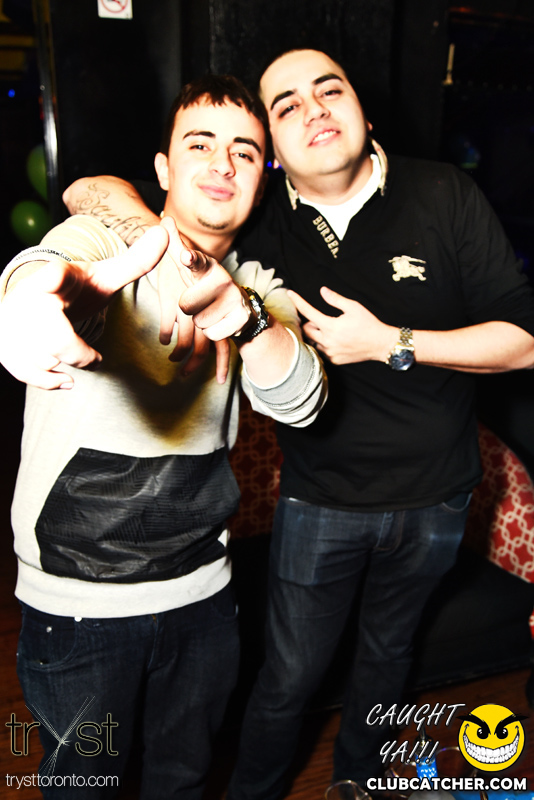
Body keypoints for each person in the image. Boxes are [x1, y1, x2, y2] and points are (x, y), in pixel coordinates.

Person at [62, 50, 534, 797]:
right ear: (275, 153)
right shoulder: (253, 215)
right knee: (287, 678)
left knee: (390, 656)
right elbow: (92, 189)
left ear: (362, 110)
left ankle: (355, 781)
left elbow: (525, 341)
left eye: (329, 90)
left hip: (439, 495)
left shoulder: (444, 191)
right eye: (286, 105)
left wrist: (392, 342)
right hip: (320, 500)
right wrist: (151, 242)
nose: (313, 109)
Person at [0, 74, 326, 799]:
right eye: (200, 144)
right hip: (79, 605)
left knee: (182, 782)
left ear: (261, 184)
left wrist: (244, 318)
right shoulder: (109, 246)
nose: (222, 164)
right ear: (163, 168)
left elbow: (303, 400)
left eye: (245, 152)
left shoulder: (258, 286)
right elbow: (52, 261)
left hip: (203, 597)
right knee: (84, 788)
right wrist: (25, 298)